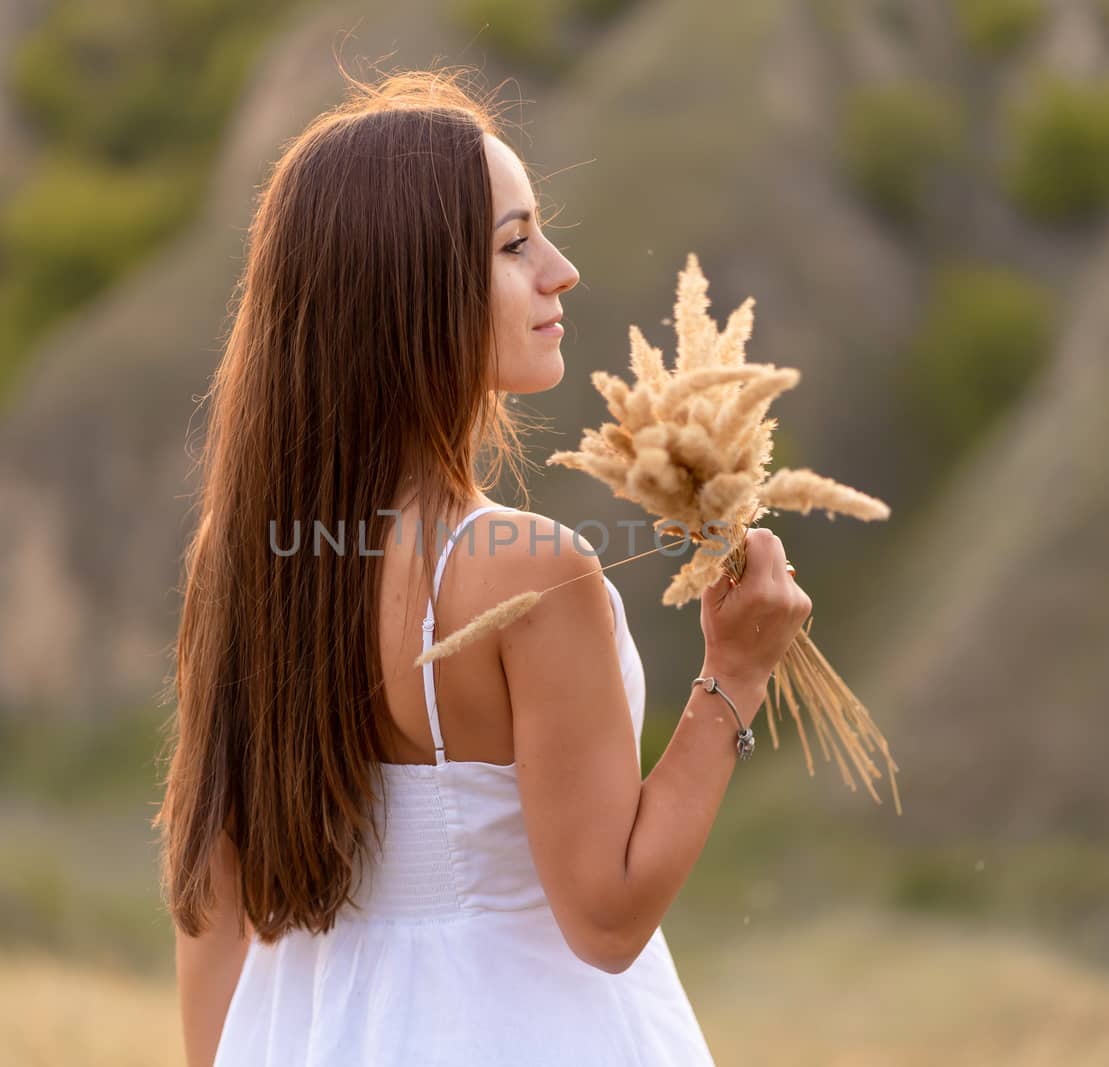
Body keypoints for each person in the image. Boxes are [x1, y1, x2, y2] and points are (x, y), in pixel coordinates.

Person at [156, 66, 811, 1067]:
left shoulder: (240, 555)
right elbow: (606, 915)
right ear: (410, 291)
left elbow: (212, 901)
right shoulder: (529, 572)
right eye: (513, 244)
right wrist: (735, 676)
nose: (559, 269)